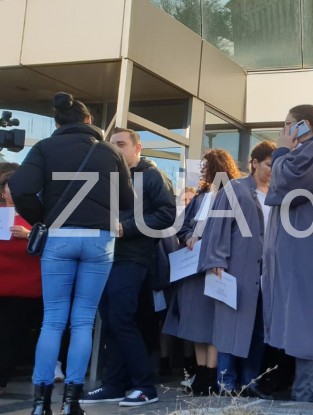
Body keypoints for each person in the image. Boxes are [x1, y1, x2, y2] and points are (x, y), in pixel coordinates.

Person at [9, 92, 134, 415]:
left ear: (57, 123)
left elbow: (20, 187)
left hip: (59, 237)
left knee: (52, 320)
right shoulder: (109, 151)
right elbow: (127, 201)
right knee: (83, 321)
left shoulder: (45, 148)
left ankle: (40, 403)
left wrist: (42, 217)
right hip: (99, 240)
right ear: (89, 120)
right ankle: (72, 402)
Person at [80, 128, 176, 407]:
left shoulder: (153, 176)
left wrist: (127, 227)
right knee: (110, 321)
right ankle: (114, 385)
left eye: (121, 143)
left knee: (121, 318)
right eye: (111, 145)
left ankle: (145, 386)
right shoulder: (108, 178)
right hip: (106, 255)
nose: (116, 149)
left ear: (137, 148)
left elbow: (167, 214)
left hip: (134, 256)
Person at [262, 104, 313, 402]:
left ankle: (306, 398)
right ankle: (301, 392)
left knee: (305, 320)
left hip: (306, 245)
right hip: (307, 244)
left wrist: (282, 151)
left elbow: (290, 182)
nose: (284, 131)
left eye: (288, 124)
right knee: (303, 319)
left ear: (305, 124)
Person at [198, 141, 275, 398]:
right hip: (236, 269)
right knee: (230, 325)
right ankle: (226, 382)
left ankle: (250, 382)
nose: (273, 170)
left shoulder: (278, 194)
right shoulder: (235, 188)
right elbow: (217, 227)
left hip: (267, 274)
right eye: (269, 164)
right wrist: (217, 260)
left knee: (260, 329)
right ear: (254, 163)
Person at [163, 149, 242, 396]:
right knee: (195, 323)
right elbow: (182, 227)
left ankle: (211, 373)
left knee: (212, 324)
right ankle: (201, 373)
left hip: (215, 267)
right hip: (192, 269)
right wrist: (189, 236)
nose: (203, 171)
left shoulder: (233, 195)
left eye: (207, 166)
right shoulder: (200, 197)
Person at [0, 168, 44, 395]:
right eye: (10, 185)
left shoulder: (38, 217)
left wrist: (29, 234)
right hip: (3, 282)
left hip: (25, 287)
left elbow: (50, 243)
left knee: (10, 335)